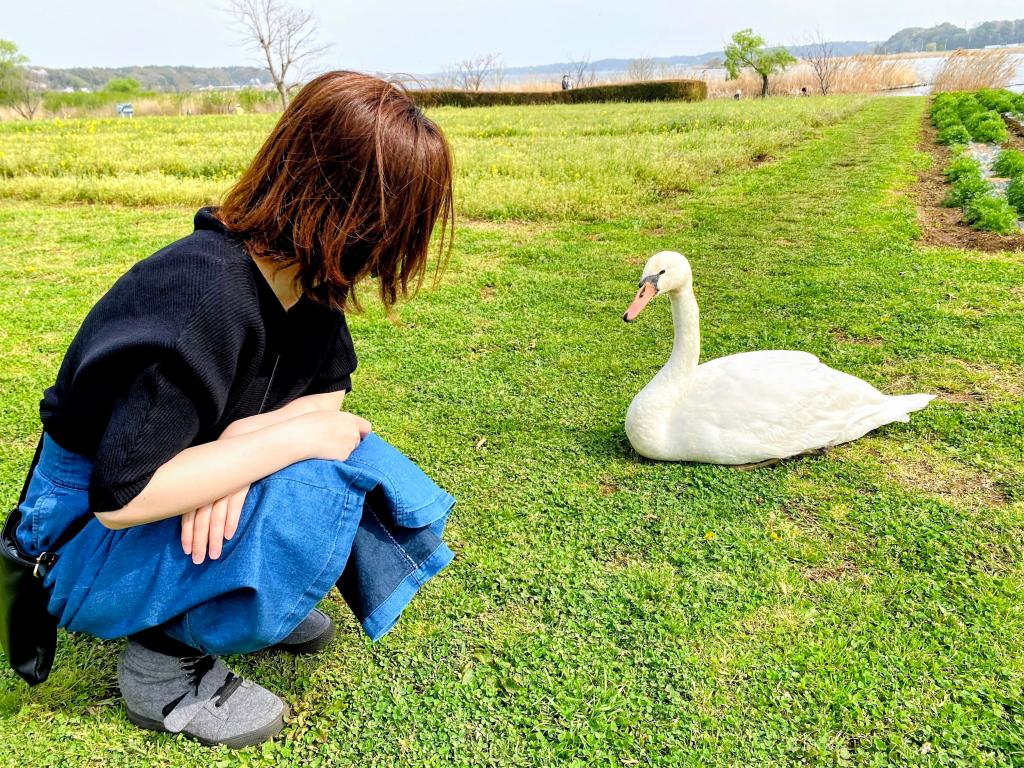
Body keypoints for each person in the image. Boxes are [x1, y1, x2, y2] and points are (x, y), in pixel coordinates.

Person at [12, 71, 456, 749]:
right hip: (72, 543)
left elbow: (330, 385)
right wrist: (276, 447)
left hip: (138, 498)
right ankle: (167, 665)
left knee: (345, 449)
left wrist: (241, 447)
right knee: (324, 478)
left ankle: (234, 593)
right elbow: (119, 494)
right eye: (401, 221)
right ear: (350, 206)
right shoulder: (207, 293)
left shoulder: (306, 283)